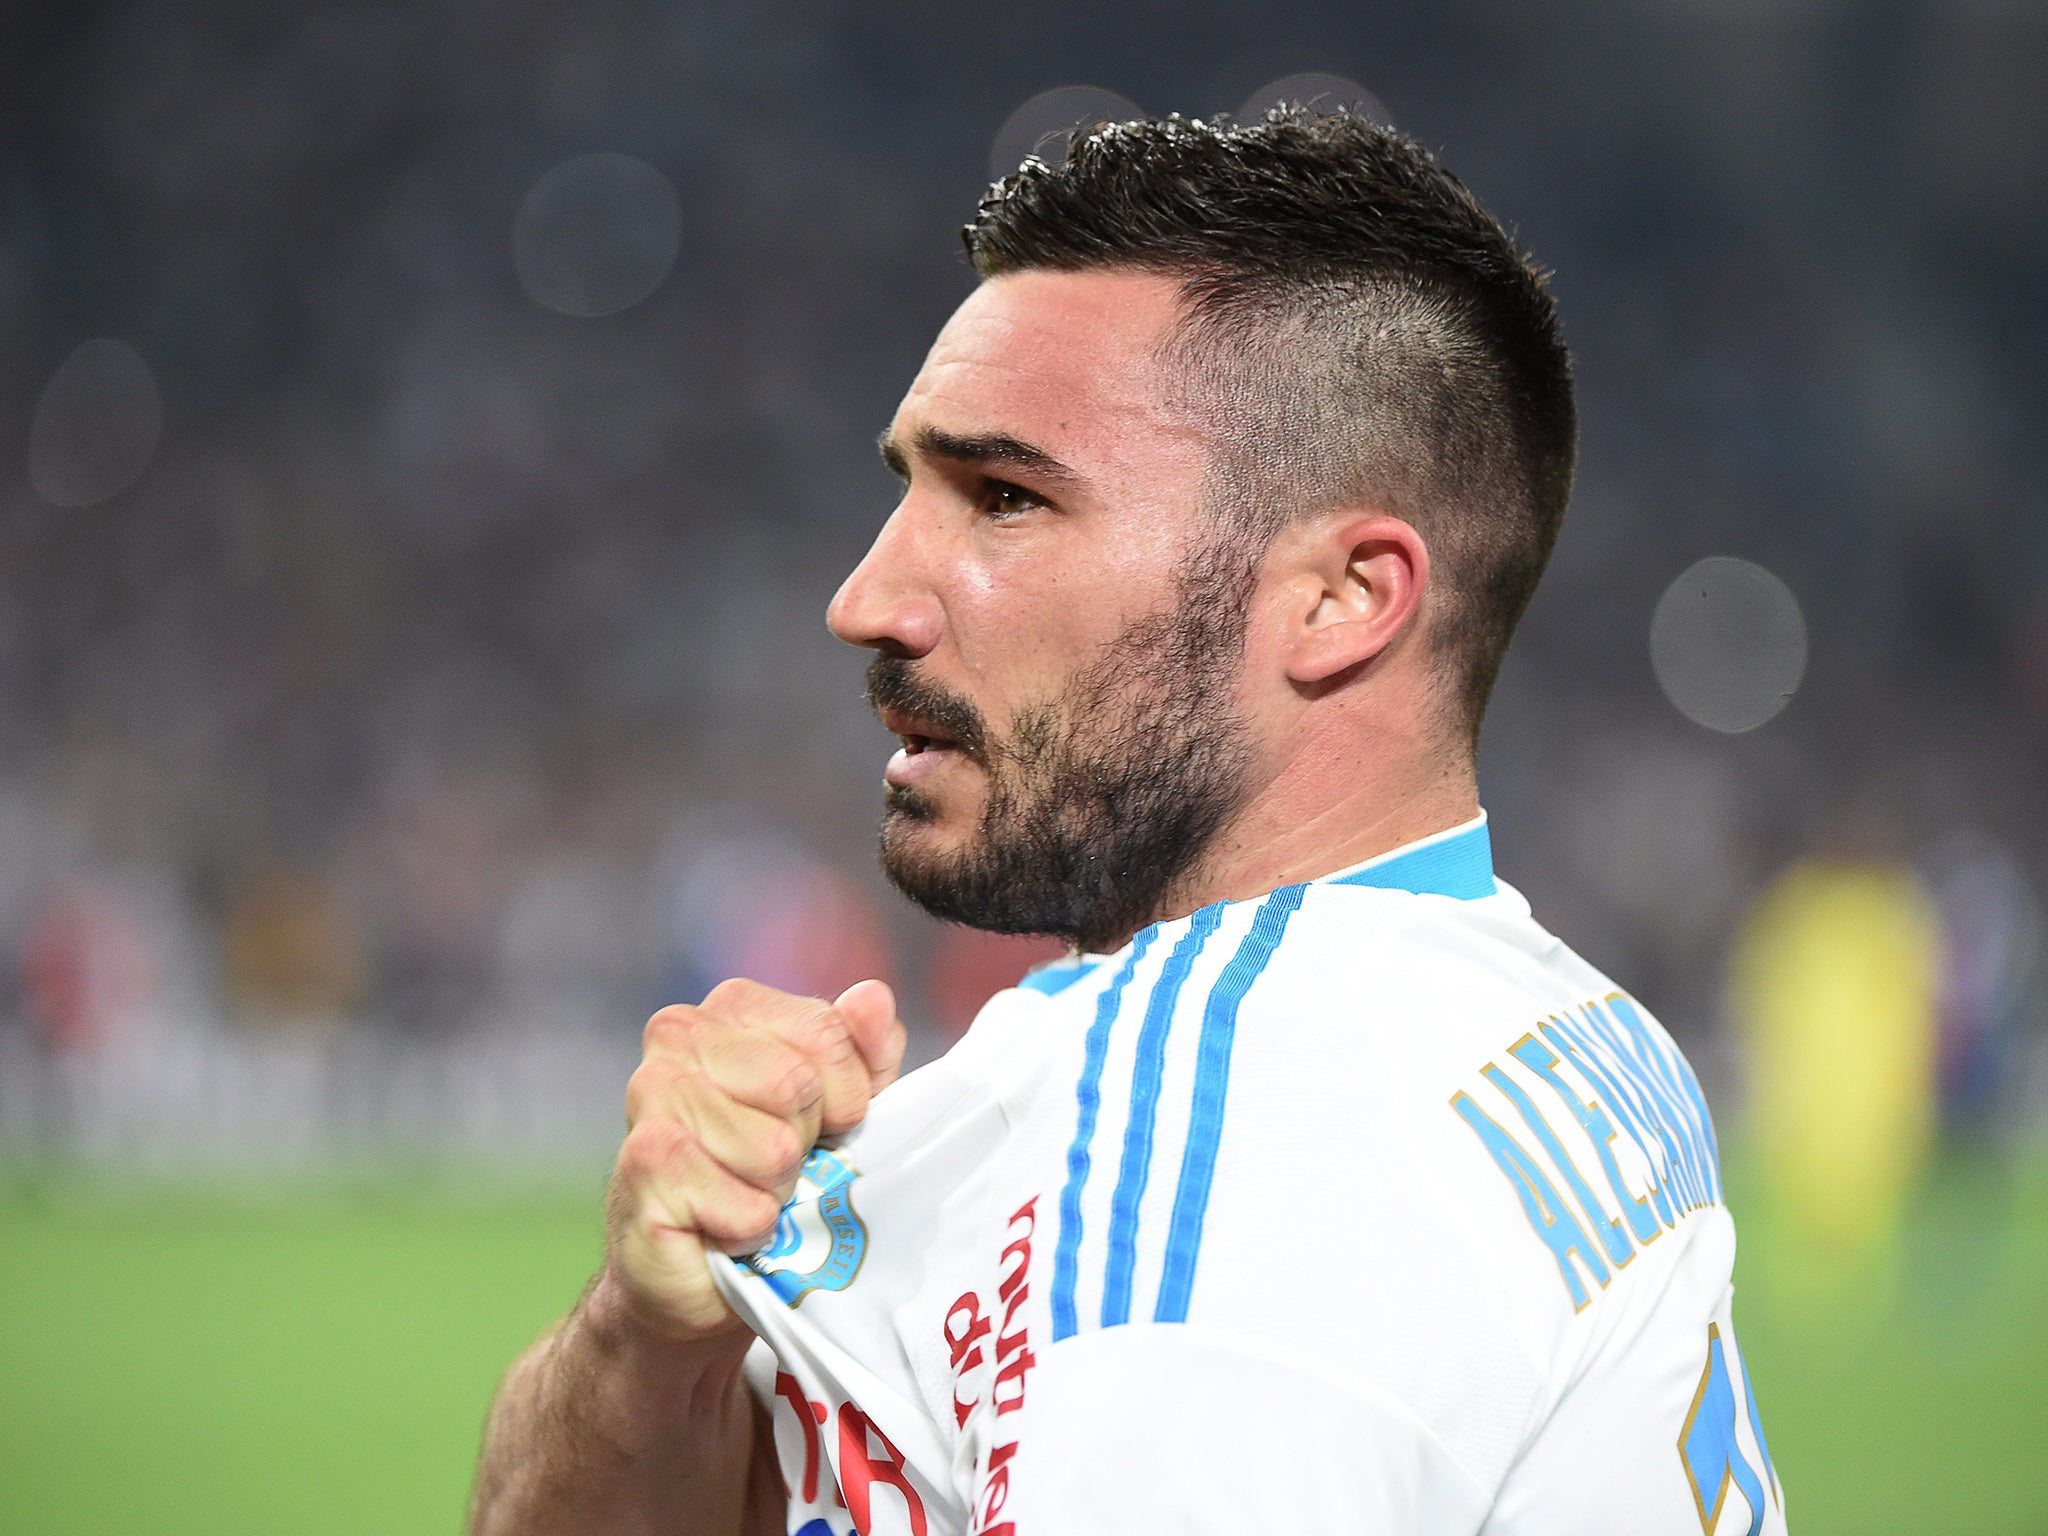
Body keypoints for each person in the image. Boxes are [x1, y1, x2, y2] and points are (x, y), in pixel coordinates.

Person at [470, 108, 1784, 1536]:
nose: (867, 598)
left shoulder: (1223, 1168)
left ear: (1344, 598)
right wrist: (650, 1340)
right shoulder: (1566, 1032)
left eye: (1008, 499)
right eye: (907, 487)